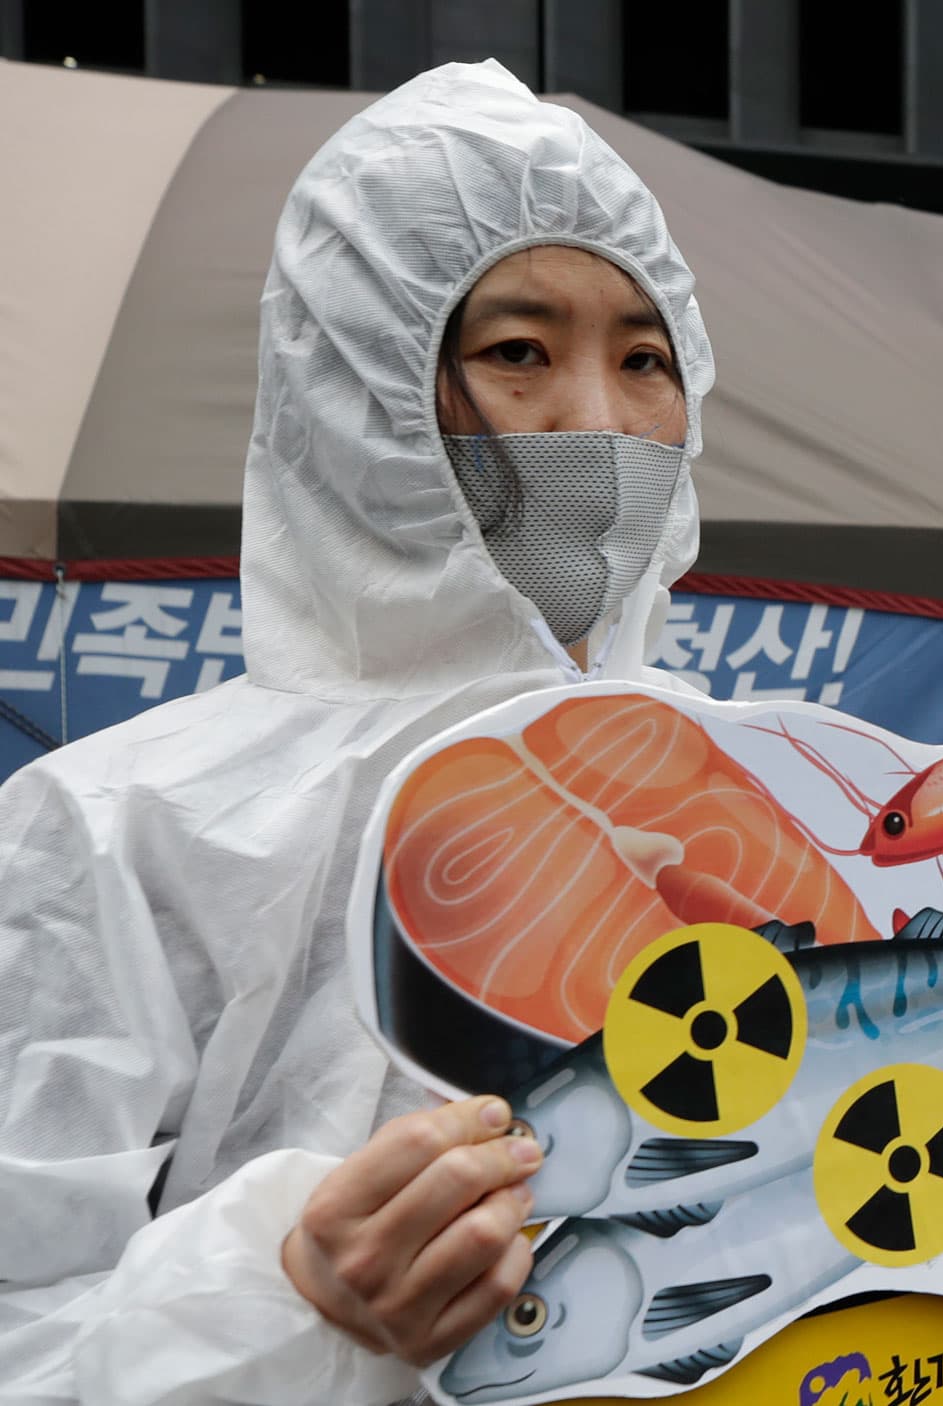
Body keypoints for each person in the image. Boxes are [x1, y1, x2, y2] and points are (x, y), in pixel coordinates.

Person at [0, 61, 711, 1403]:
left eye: (644, 360)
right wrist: (280, 1297)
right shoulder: (116, 827)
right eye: (518, 353)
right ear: (357, 383)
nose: (601, 424)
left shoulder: (760, 782)